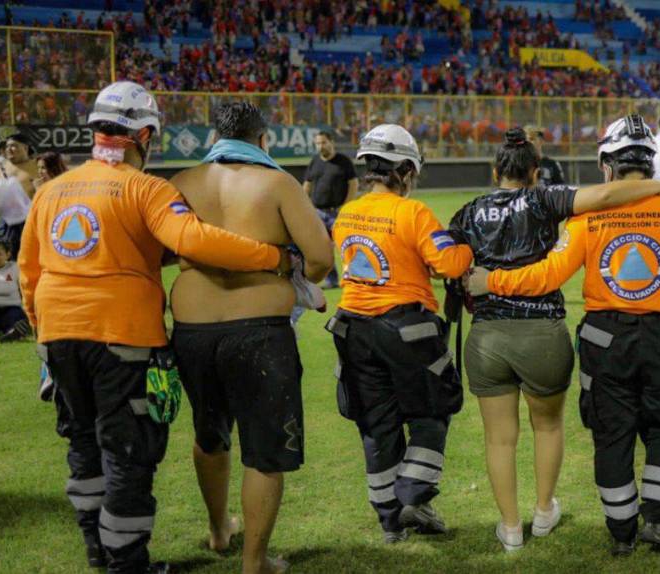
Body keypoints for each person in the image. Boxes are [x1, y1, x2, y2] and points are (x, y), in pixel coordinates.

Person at [20, 81, 291, 574]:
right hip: (121, 336)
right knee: (128, 449)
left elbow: (28, 273)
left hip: (57, 334)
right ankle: (128, 563)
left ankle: (97, 551)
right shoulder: (145, 188)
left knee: (83, 445)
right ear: (143, 134)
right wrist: (272, 256)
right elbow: (194, 239)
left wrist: (45, 336)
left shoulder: (49, 192)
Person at [466, 115, 660, 557]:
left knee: (612, 432)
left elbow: (548, 274)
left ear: (607, 165)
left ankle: (621, 532)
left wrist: (494, 283)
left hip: (606, 341)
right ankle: (659, 520)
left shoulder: (589, 218)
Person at [169, 102, 334, 574]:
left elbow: (161, 249)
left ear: (215, 136)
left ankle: (220, 528)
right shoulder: (277, 182)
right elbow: (321, 259)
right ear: (263, 140)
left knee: (209, 433)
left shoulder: (182, 181)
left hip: (192, 330)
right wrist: (283, 263)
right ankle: (253, 562)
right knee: (264, 452)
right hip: (259, 331)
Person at [326, 124, 472, 544]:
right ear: (404, 170)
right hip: (407, 329)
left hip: (353, 329)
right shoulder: (414, 213)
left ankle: (390, 520)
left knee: (376, 424)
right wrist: (463, 246)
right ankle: (413, 495)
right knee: (432, 411)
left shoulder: (346, 213)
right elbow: (450, 264)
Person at [303, 129, 357, 288]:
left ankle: (354, 277)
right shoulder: (315, 161)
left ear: (332, 142)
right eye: (318, 143)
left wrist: (345, 207)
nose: (321, 146)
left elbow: (353, 184)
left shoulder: (343, 161)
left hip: (337, 213)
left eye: (323, 143)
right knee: (323, 249)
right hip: (318, 212)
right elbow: (307, 185)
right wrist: (303, 205)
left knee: (346, 246)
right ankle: (332, 280)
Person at [0, 133, 39, 258]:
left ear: (25, 148)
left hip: (33, 220)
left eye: (14, 146)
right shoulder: (0, 167)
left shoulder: (38, 165)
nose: (9, 149)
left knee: (33, 258)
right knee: (7, 260)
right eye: (7, 146)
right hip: (7, 223)